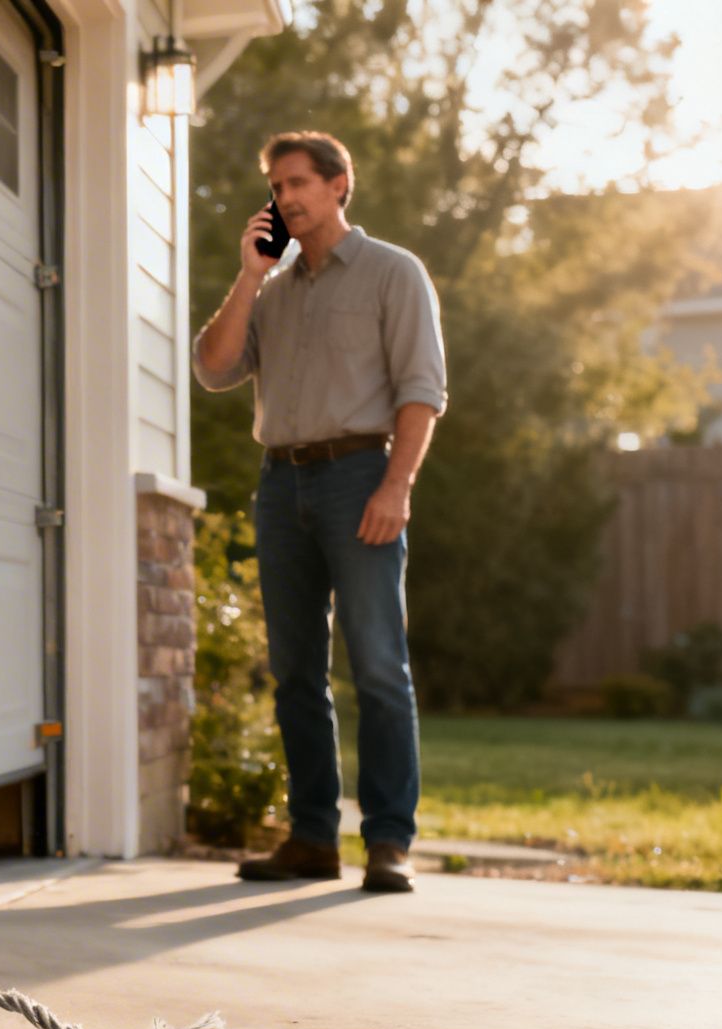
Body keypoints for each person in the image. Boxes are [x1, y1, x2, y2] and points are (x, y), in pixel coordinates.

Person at [193, 131, 447, 893]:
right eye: (276, 186)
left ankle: (388, 842)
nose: (286, 198)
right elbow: (212, 369)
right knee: (295, 672)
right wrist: (248, 275)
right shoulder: (270, 292)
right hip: (281, 485)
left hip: (361, 476)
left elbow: (421, 391)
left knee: (377, 667)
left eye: (299, 182)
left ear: (340, 185)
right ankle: (311, 837)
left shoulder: (392, 273)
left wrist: (396, 486)